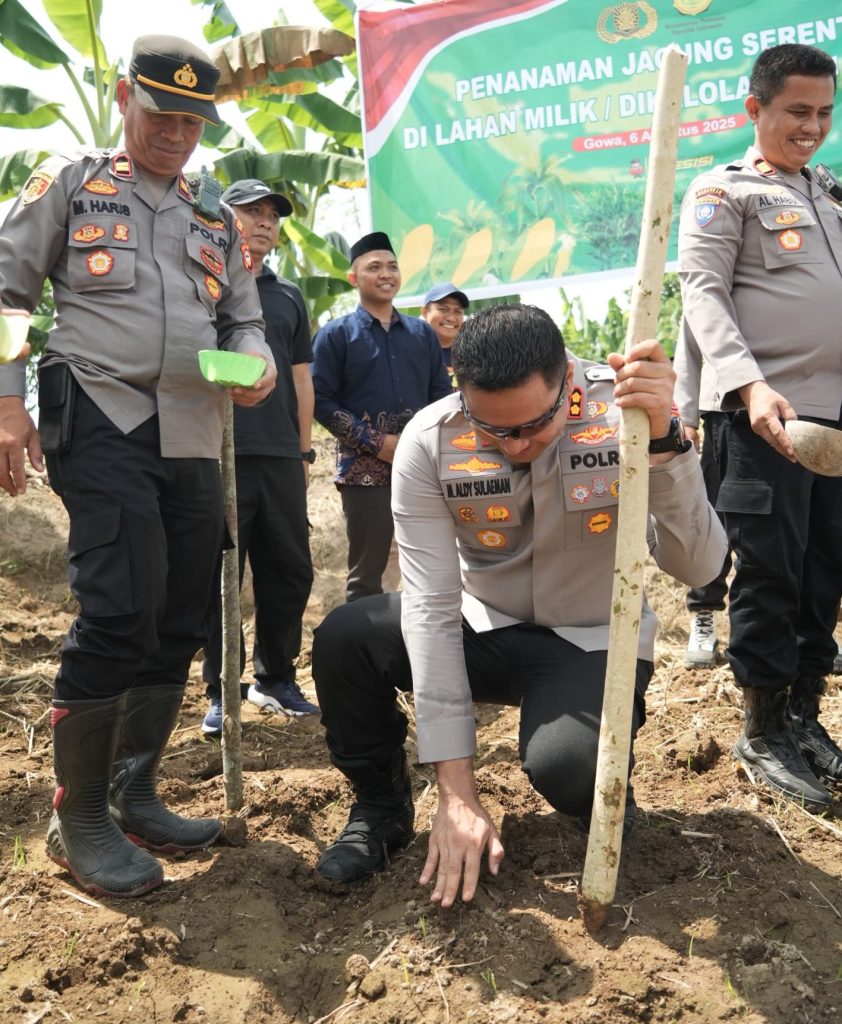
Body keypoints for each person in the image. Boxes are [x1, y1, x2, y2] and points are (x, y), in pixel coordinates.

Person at [310, 303, 727, 904]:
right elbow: (429, 607)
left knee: (569, 770)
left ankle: (599, 779)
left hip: (590, 639)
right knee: (347, 636)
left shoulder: (629, 414)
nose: (516, 445)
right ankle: (380, 808)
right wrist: (455, 792)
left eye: (534, 425)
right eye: (494, 430)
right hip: (480, 627)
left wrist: (664, 444)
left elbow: (702, 566)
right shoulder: (430, 441)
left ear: (567, 378)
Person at [0, 35, 276, 898]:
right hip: (101, 408)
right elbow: (7, 288)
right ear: (124, 97)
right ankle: (75, 814)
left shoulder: (212, 217)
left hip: (193, 426)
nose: (179, 133)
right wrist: (7, 402)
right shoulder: (73, 181)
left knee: (180, 610)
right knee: (119, 603)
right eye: (163, 115)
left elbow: (243, 318)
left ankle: (132, 789)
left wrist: (256, 358)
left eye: (195, 121)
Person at [677, 43, 842, 811]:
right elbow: (704, 296)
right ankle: (763, 727)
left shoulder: (831, 196)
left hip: (835, 424)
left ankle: (804, 715)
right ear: (757, 109)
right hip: (762, 418)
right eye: (797, 112)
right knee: (770, 573)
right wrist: (749, 385)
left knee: (823, 573)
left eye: (824, 113)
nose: (812, 127)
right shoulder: (723, 191)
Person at [201, 179, 317, 736]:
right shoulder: (204, 282)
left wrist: (303, 450)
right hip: (219, 450)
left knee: (290, 569)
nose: (265, 221)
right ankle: (222, 689)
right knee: (220, 571)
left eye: (273, 214)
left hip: (279, 455)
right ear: (226, 216)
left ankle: (276, 678)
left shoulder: (290, 295)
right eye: (252, 211)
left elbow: (300, 380)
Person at [311, 231, 452, 602]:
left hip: (423, 467)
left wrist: (421, 444)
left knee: (429, 565)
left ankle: (420, 649)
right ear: (354, 278)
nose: (386, 273)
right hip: (364, 474)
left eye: (392, 266)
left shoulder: (422, 334)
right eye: (374, 267)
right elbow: (320, 401)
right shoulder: (335, 336)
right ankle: (367, 654)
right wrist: (378, 444)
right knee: (366, 576)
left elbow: (441, 397)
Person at [673, 323, 732, 668]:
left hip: (809, 409)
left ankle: (810, 624)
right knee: (712, 522)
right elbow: (689, 348)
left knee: (802, 525)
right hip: (727, 411)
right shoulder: (713, 275)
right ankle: (704, 614)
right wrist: (688, 417)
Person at [420, 282, 469, 388]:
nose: (451, 318)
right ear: (424, 312)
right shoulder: (412, 352)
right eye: (443, 309)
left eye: (458, 311)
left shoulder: (472, 353)